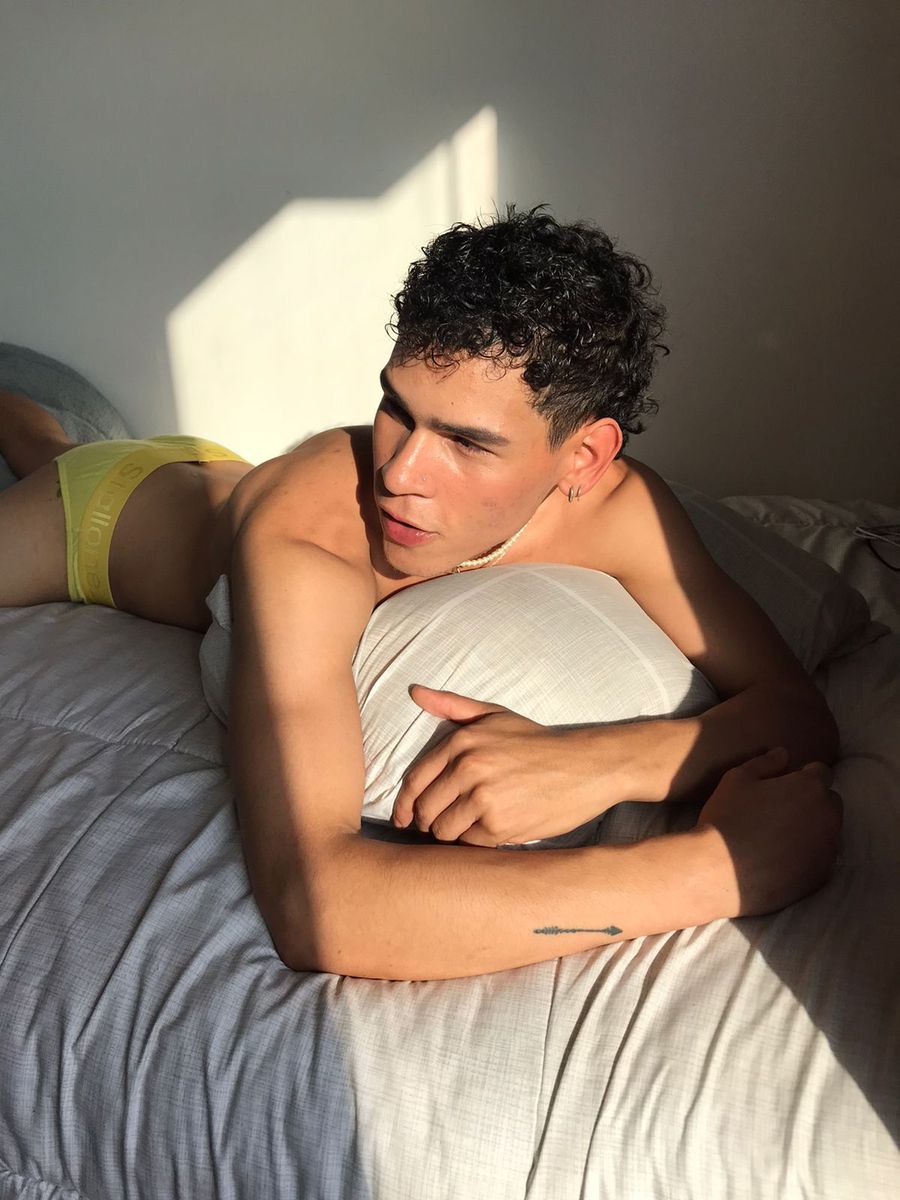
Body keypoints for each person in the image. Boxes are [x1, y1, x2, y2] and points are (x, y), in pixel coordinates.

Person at [0, 204, 841, 981]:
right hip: (100, 517)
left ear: (583, 459)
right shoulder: (305, 540)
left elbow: (795, 711)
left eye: (467, 443)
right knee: (61, 460)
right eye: (396, 410)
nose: (400, 473)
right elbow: (316, 908)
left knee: (60, 440)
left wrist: (602, 763)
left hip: (219, 476)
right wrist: (714, 870)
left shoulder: (623, 511)